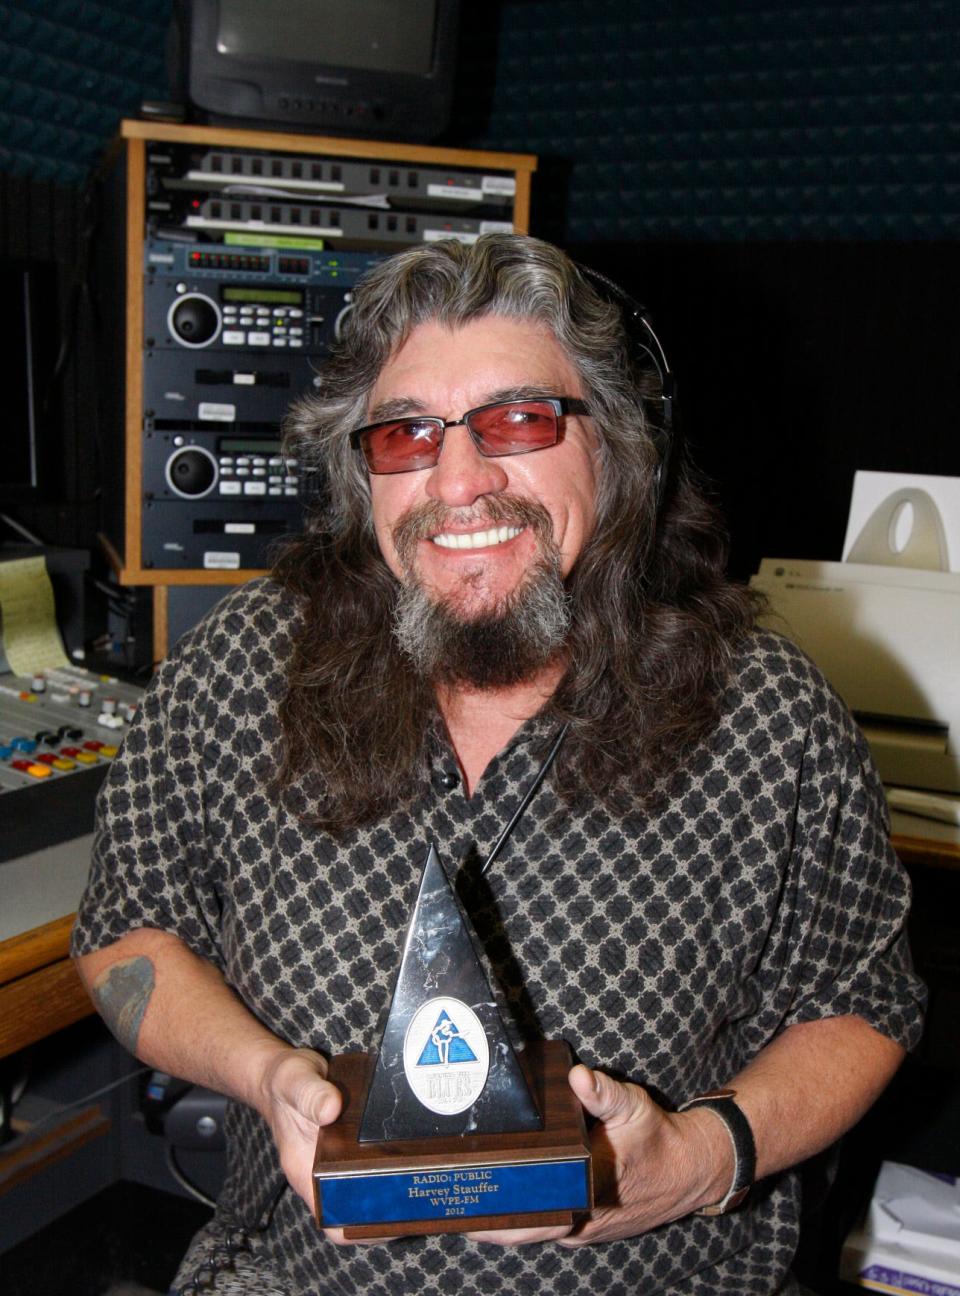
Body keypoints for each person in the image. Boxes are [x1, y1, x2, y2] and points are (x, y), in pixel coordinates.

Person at [72, 233, 925, 1295]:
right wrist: (264, 1072)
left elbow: (860, 1000)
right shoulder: (241, 671)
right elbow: (125, 931)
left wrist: (702, 1160)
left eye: (518, 420)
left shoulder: (768, 713)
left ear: (617, 452)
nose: (459, 481)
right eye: (405, 435)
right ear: (360, 477)